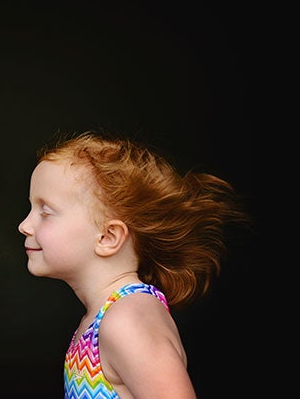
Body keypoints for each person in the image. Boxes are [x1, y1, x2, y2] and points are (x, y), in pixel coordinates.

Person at [18, 131, 248, 399]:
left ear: (108, 237)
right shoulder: (103, 318)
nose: (24, 225)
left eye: (45, 212)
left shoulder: (126, 320)